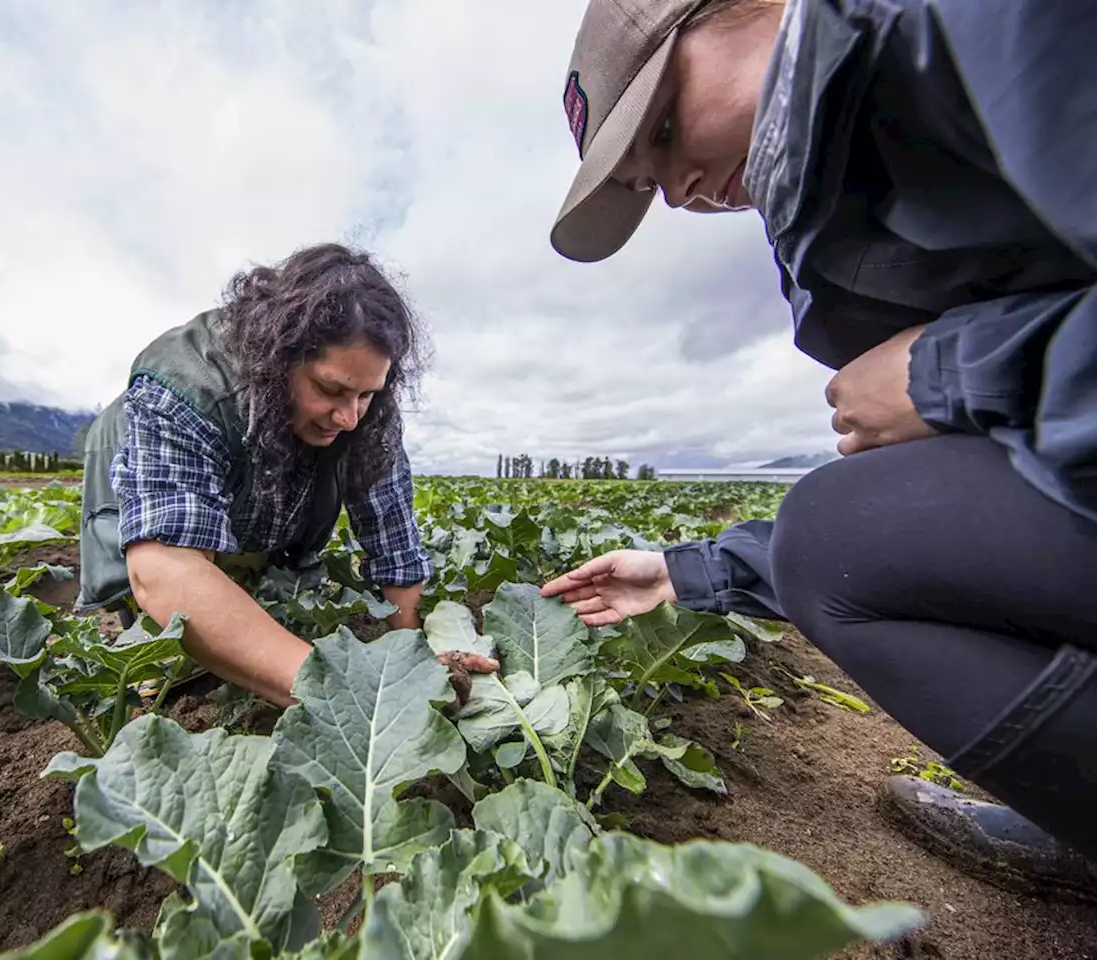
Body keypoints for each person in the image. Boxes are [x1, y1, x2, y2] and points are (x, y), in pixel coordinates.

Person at [541, 0, 1097, 901]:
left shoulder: (971, 27)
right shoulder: (843, 182)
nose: (679, 190)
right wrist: (692, 573)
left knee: (838, 532)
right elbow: (987, 479)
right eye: (651, 183)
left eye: (666, 130)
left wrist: (949, 372)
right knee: (843, 532)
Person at [76, 243, 496, 707]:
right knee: (166, 649)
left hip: (260, 498)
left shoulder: (366, 411)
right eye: (330, 388)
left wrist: (418, 661)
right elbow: (165, 569)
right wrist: (342, 699)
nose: (350, 417)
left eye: (365, 395)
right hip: (145, 484)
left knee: (266, 618)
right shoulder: (186, 385)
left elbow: (394, 543)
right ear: (278, 359)